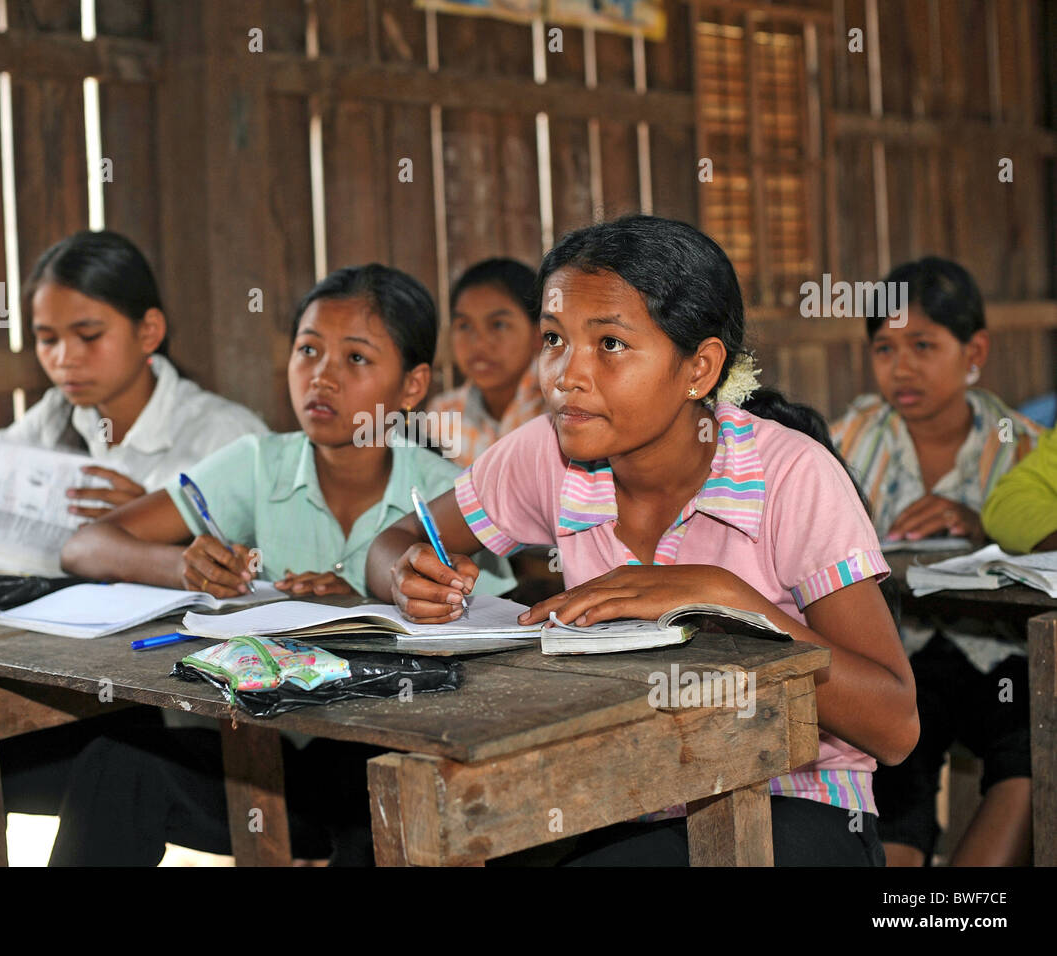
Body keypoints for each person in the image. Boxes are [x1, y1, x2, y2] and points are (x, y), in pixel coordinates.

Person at [367, 214, 918, 866]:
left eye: (610, 345)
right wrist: (404, 571)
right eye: (553, 338)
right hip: (628, 792)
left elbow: (894, 726)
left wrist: (723, 597)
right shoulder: (548, 453)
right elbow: (399, 538)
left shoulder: (792, 476)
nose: (565, 375)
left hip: (800, 800)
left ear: (699, 368)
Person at [48, 264, 513, 865]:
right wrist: (183, 568)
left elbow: (492, 636)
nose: (322, 376)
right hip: (260, 760)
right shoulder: (258, 465)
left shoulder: (446, 492)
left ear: (412, 385)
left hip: (383, 755)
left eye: (356, 359)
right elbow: (83, 546)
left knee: (388, 801)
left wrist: (355, 599)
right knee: (116, 764)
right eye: (308, 350)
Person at [0, 230, 266, 866]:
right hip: (58, 683)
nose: (65, 357)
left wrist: (155, 513)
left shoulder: (222, 433)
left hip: (162, 705)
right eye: (47, 339)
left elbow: (262, 571)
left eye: (89, 335)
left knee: (110, 757)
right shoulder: (52, 419)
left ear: (149, 331)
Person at [832, 256, 1042, 866]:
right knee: (891, 756)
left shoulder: (1020, 446)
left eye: (923, 344)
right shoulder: (846, 442)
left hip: (1001, 656)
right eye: (885, 348)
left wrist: (984, 527)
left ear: (974, 351)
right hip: (897, 653)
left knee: (1029, 743)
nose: (902, 367)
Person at [426, 257, 545, 468]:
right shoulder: (442, 415)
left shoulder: (555, 407)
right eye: (464, 326)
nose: (479, 343)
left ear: (538, 334)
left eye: (498, 325)